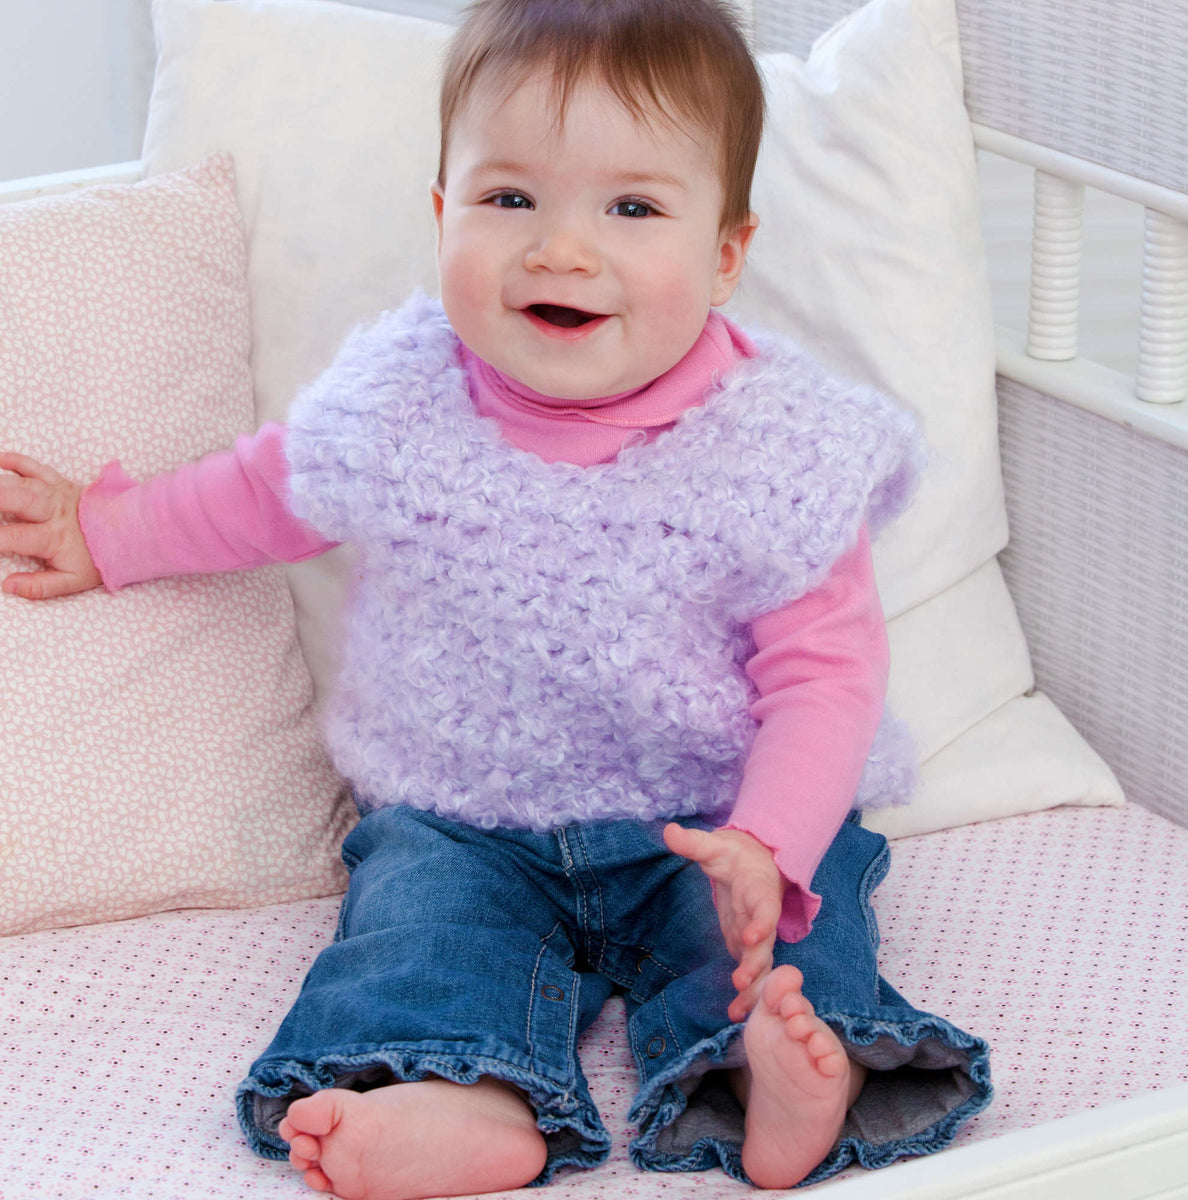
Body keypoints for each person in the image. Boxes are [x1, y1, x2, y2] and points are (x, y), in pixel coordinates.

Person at [0, 0, 992, 1196]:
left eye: (631, 208)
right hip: (465, 817)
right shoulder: (404, 396)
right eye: (510, 199)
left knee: (780, 948)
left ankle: (774, 1077)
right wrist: (108, 529)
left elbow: (826, 675)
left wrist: (766, 841)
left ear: (727, 253)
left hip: (709, 819)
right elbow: (269, 486)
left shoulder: (779, 446)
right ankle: (456, 1096)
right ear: (440, 215)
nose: (560, 250)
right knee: (418, 938)